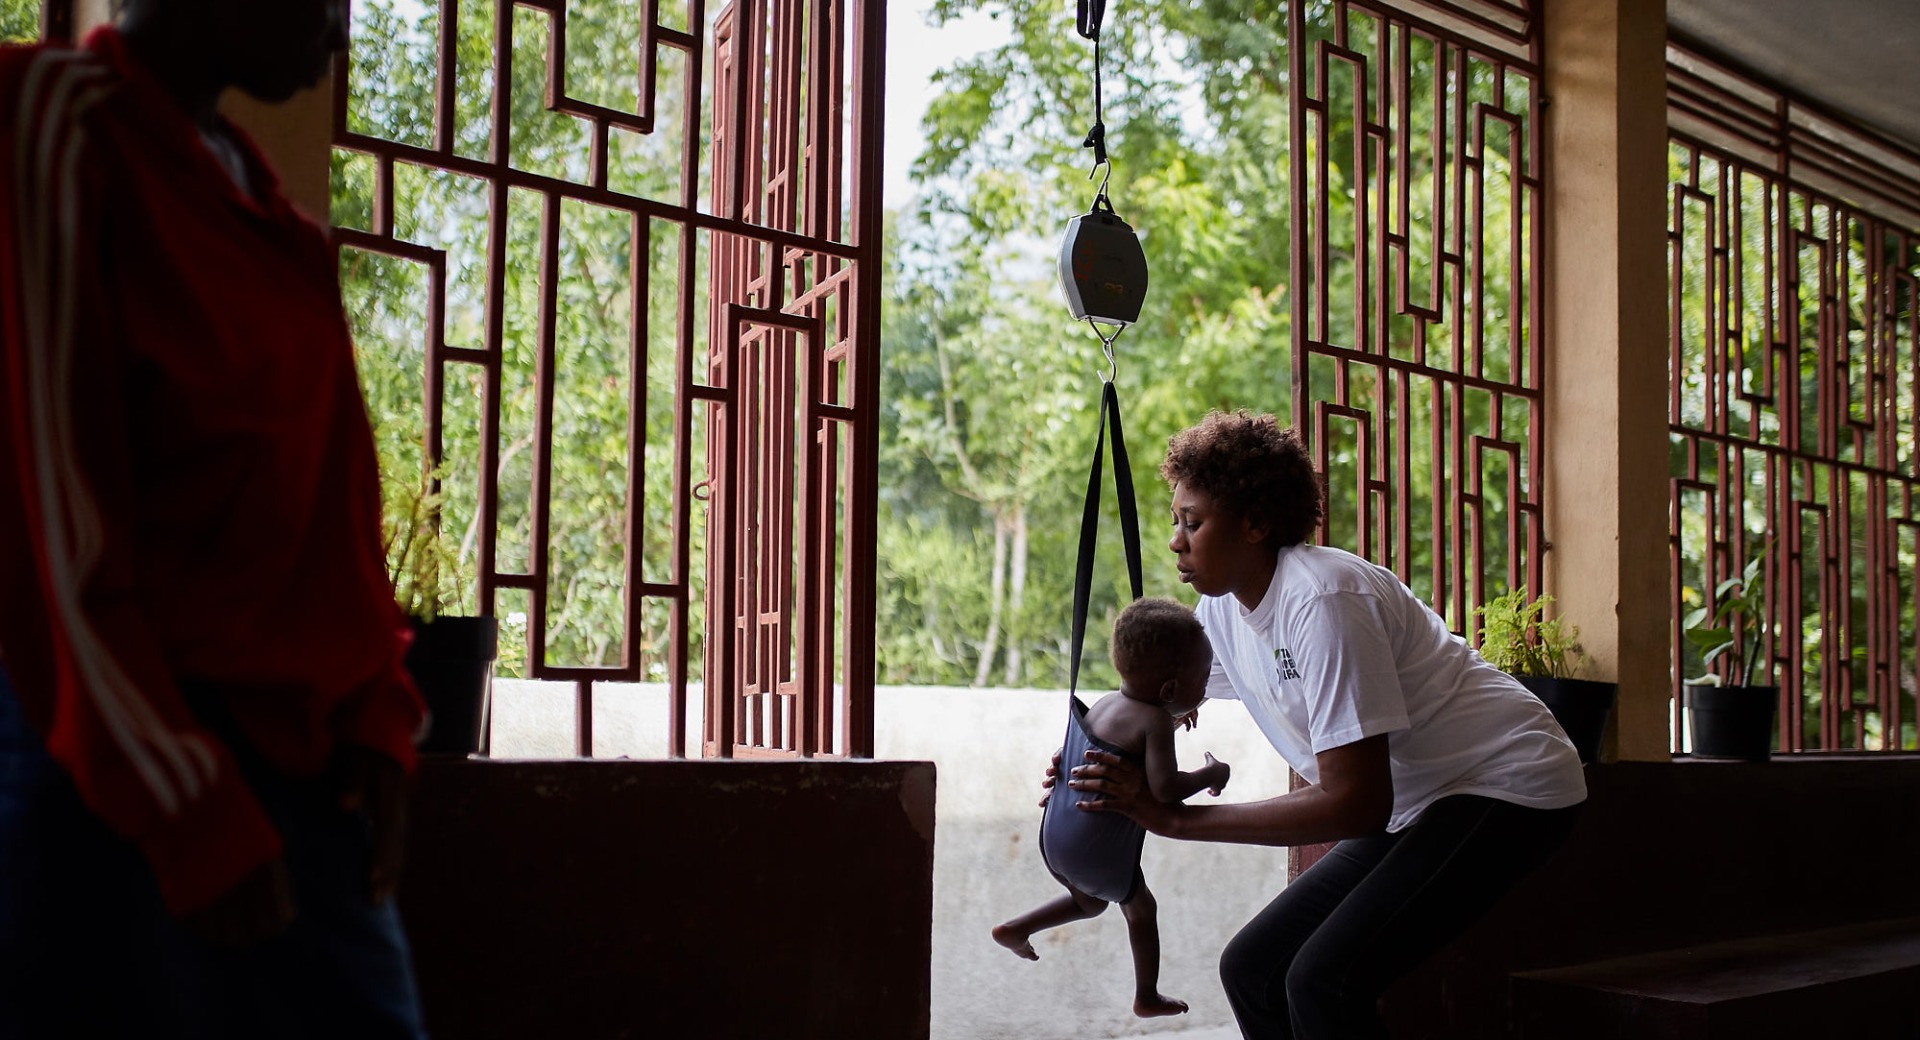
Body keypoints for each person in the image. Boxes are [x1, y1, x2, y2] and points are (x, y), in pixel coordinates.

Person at [0, 2, 429, 1036]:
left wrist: (380, 714)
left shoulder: (273, 220)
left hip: (307, 777)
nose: (338, 34)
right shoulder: (53, 123)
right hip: (121, 775)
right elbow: (46, 525)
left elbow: (332, 515)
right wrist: (186, 807)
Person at [1056, 411, 1587, 1040]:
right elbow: (1154, 705)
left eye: (1193, 522)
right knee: (1252, 968)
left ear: (1255, 524)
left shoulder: (1323, 599)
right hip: (1417, 801)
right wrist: (1096, 762)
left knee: (1322, 981)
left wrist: (1175, 820)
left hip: (1506, 783)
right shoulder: (1220, 614)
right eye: (1176, 521)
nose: (1176, 541)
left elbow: (1356, 802)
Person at [993, 597, 1233, 1019]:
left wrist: (1176, 717)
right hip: (1094, 851)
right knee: (1141, 909)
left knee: (1090, 903)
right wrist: (1212, 773)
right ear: (1169, 690)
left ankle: (1017, 927)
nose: (1205, 687)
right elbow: (1165, 790)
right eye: (1203, 678)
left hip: (1055, 837)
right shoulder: (1154, 722)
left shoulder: (1106, 702)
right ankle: (1146, 996)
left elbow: (1127, 742)